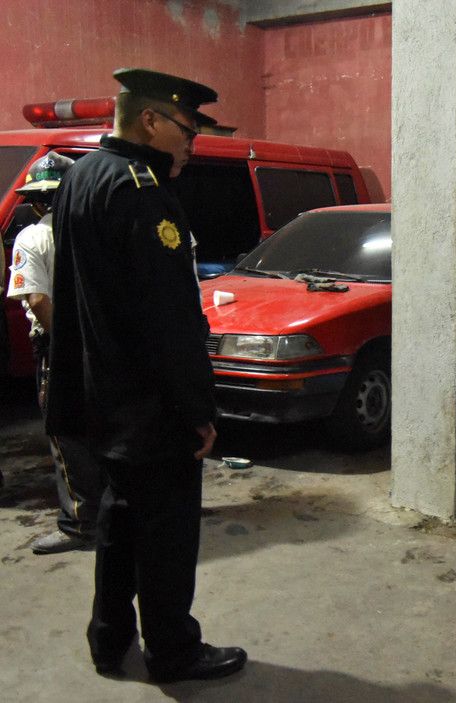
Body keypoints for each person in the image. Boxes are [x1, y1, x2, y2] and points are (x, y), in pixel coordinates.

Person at [47, 68, 245, 682]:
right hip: (150, 406)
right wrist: (197, 410)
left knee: (121, 520)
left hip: (103, 397)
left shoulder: (81, 177)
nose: (192, 145)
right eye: (187, 130)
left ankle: (108, 639)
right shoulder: (140, 190)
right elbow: (168, 319)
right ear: (151, 120)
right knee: (166, 533)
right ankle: (173, 650)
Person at [6, 152, 106, 554]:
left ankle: (80, 525)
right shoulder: (97, 230)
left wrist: (67, 345)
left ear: (35, 203)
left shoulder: (32, 237)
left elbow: (37, 299)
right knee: (103, 427)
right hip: (103, 344)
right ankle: (111, 515)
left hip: (59, 347)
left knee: (65, 434)